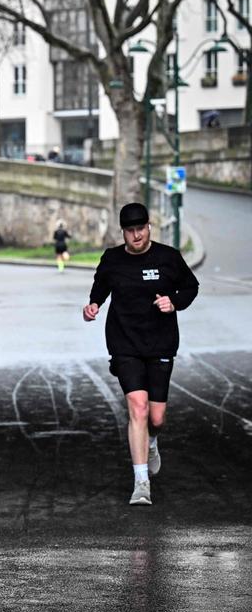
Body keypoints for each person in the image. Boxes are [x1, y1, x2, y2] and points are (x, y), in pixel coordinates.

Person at [83, 202, 199, 506]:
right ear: (123, 232)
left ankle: (152, 441)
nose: (136, 235)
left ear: (149, 227)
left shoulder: (168, 258)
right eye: (130, 231)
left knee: (156, 417)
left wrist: (173, 302)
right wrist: (93, 305)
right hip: (124, 343)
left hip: (160, 342)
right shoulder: (112, 260)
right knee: (138, 408)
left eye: (141, 229)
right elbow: (100, 287)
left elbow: (190, 287)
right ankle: (141, 482)